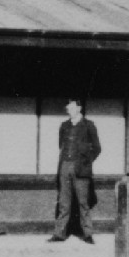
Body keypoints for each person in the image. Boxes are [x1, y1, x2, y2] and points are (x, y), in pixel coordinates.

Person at [48, 98, 101, 244]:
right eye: (67, 108)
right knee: (64, 203)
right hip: (65, 166)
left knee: (83, 203)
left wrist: (85, 162)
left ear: (79, 108)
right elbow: (61, 145)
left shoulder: (89, 125)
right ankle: (59, 234)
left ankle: (88, 234)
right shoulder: (64, 126)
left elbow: (97, 148)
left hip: (81, 169)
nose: (68, 111)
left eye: (71, 108)